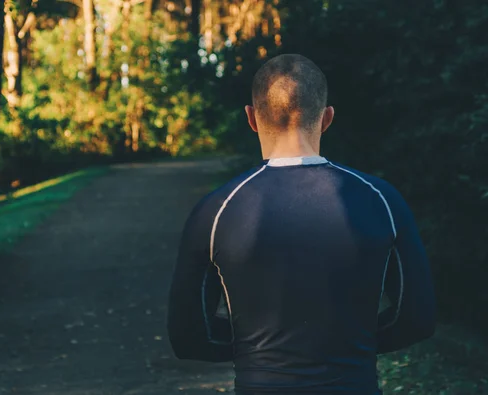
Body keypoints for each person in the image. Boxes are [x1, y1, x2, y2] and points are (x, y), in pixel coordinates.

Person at [166, 54, 436, 395]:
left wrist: (259, 352)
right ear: (327, 118)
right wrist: (353, 346)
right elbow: (417, 319)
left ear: (251, 118)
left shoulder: (217, 210)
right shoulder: (381, 200)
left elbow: (189, 338)